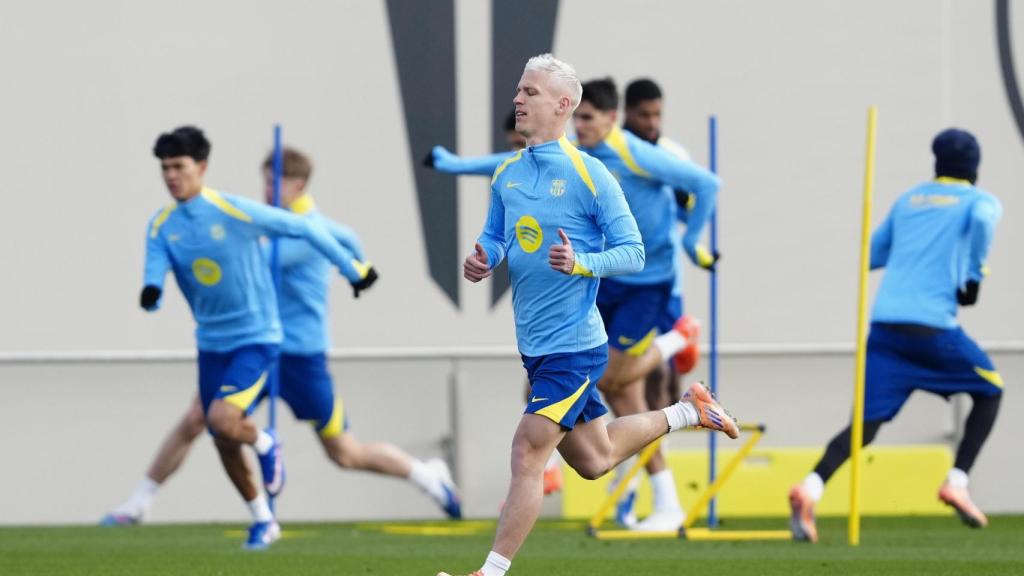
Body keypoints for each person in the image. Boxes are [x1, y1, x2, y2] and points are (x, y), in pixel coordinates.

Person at [437, 53, 737, 576]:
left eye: (530, 92)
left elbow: (633, 252)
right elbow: (495, 236)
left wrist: (581, 262)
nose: (518, 99)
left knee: (528, 452)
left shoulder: (590, 174)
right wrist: (483, 257)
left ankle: (490, 573)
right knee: (594, 460)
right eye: (519, 89)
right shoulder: (508, 173)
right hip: (535, 344)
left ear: (563, 105)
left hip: (574, 344)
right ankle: (689, 411)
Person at [104, 145, 461, 531]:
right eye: (265, 181)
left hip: (300, 354)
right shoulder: (267, 224)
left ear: (299, 184)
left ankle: (427, 476)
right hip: (255, 346)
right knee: (200, 418)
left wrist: (358, 269)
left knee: (344, 452)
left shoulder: (305, 228)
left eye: (276, 182)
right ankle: (140, 501)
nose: (268, 189)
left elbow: (337, 238)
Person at [138, 126, 377, 549]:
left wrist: (354, 268)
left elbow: (304, 228)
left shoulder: (234, 211)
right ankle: (262, 518)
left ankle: (265, 441)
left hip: (257, 338)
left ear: (202, 167)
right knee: (223, 439)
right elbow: (154, 268)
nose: (171, 176)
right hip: (211, 343)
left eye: (179, 166)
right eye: (165, 169)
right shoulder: (162, 225)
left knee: (222, 419)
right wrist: (151, 293)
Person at [788, 128, 1004, 543]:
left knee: (862, 428)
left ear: (936, 163)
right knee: (992, 390)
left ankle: (810, 488)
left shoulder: (909, 201)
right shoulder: (980, 201)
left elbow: (871, 255)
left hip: (886, 327)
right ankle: (957, 480)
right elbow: (981, 222)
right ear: (974, 168)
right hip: (932, 329)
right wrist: (973, 276)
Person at [574, 77, 719, 531]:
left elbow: (690, 202)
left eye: (658, 115)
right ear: (627, 116)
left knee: (641, 389)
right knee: (620, 392)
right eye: (645, 116)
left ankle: (680, 339)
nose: (652, 124)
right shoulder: (600, 153)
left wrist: (694, 242)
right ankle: (654, 495)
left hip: (656, 287)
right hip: (613, 282)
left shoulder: (662, 155)